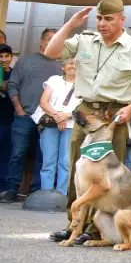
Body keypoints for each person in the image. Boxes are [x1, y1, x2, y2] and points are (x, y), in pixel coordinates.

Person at [44, 0, 131, 242]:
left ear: (121, 19)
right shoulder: (85, 40)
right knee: (78, 170)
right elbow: (51, 51)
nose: (102, 23)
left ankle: (98, 229)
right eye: (99, 18)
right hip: (85, 110)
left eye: (108, 18)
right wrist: (71, 25)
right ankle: (74, 225)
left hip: (113, 114)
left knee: (108, 176)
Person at [1, 27, 60, 201]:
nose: (52, 42)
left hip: (48, 118)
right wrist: (18, 108)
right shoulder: (25, 61)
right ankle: (11, 189)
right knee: (17, 153)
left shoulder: (62, 65)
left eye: (56, 39)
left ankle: (36, 191)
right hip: (24, 115)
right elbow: (12, 85)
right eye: (49, 39)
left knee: (44, 155)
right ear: (41, 41)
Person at [34, 58, 80, 194]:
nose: (73, 66)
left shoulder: (85, 85)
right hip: (50, 123)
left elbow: (84, 107)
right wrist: (58, 117)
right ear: (63, 68)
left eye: (77, 64)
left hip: (71, 125)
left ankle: (61, 196)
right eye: (70, 63)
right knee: (48, 162)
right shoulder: (54, 80)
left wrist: (66, 116)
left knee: (66, 163)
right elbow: (43, 102)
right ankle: (45, 194)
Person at [0, 45, 14, 199]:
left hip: (8, 120)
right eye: (0, 57)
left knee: (5, 155)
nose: (3, 60)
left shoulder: (14, 74)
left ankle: (2, 188)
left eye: (6, 56)